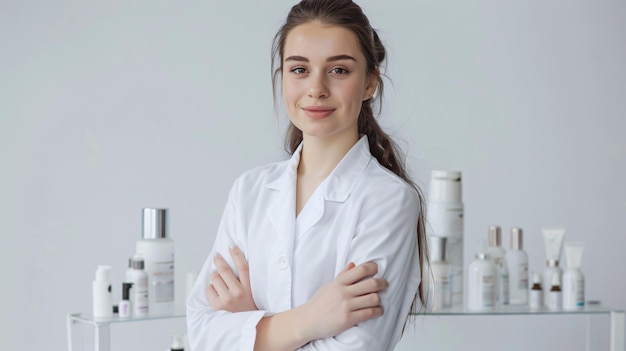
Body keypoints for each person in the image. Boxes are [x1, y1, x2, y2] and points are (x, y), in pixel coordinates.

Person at [187, 0, 427, 350]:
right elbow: (202, 333)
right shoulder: (250, 191)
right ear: (282, 77)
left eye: (339, 70)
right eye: (299, 69)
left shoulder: (387, 200)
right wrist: (310, 320)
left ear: (369, 83)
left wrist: (251, 324)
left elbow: (356, 347)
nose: (316, 88)